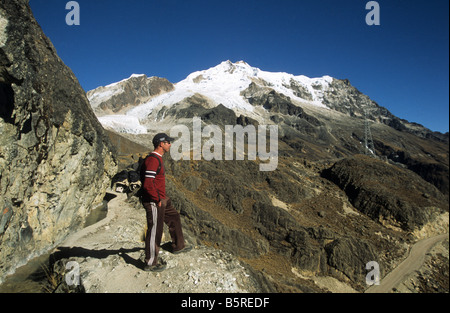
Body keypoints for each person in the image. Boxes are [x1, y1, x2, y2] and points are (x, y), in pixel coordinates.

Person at [140, 133, 191, 272]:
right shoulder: (153, 160)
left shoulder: (158, 159)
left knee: (174, 217)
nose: (170, 144)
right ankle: (151, 262)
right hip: (154, 200)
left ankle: (178, 246)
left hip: (162, 198)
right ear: (161, 144)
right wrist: (157, 199)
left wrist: (163, 198)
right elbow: (148, 184)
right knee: (155, 229)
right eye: (168, 142)